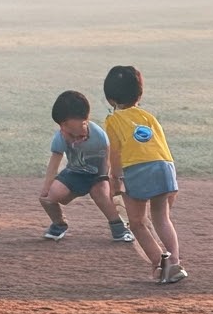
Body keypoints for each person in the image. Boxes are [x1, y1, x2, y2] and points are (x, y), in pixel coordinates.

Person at [103, 63, 187, 283]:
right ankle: (175, 262)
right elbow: (161, 147)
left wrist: (114, 178)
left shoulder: (113, 120)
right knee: (162, 217)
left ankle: (160, 265)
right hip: (165, 167)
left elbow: (116, 152)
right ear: (139, 94)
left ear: (111, 100)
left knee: (137, 222)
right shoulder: (149, 117)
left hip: (137, 169)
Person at [39, 90, 135, 242]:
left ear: (85, 121)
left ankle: (119, 228)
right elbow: (54, 163)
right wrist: (47, 187)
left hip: (97, 175)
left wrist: (109, 182)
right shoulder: (60, 136)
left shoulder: (99, 137)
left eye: (77, 135)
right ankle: (59, 225)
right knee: (48, 198)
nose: (71, 137)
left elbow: (108, 161)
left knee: (101, 195)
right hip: (75, 173)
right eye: (65, 130)